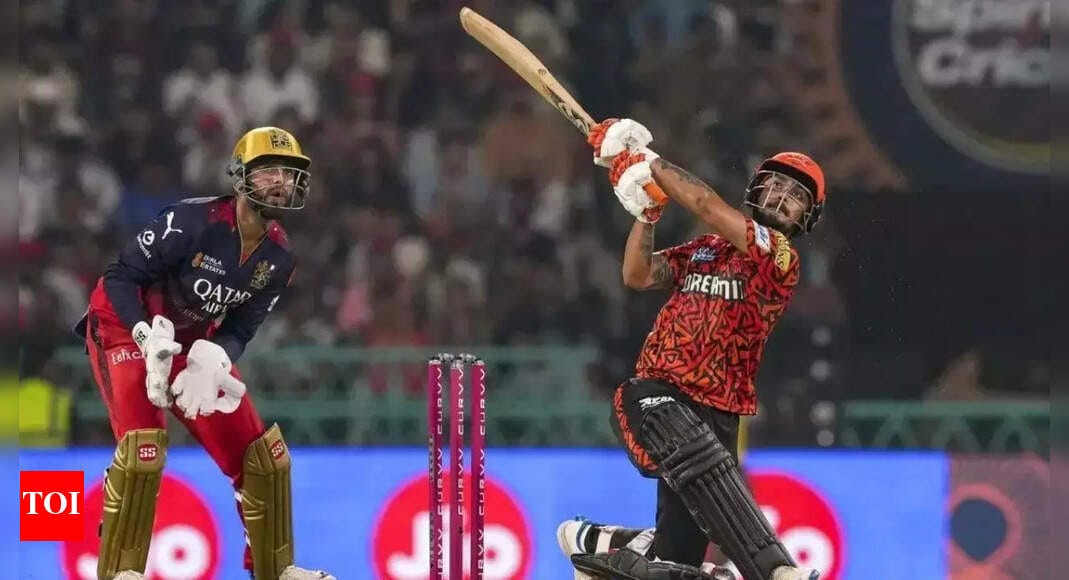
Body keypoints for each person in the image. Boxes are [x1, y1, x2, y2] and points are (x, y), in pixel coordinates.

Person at [557, 119, 825, 580]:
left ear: (807, 216)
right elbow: (638, 274)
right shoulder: (705, 249)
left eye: (796, 195)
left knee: (676, 562)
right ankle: (776, 571)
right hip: (656, 393)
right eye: (777, 185)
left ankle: (601, 542)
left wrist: (649, 162)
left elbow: (703, 203)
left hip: (719, 413)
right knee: (694, 449)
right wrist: (647, 214)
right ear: (757, 188)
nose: (783, 197)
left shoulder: (781, 259)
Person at [74, 127, 334, 580]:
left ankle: (275, 570)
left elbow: (242, 327)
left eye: (289, 173)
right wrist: (144, 337)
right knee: (143, 448)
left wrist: (216, 356)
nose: (281, 181)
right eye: (269, 171)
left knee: (262, 458)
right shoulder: (192, 222)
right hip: (123, 330)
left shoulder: (278, 258)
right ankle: (121, 572)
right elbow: (119, 276)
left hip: (191, 342)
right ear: (241, 176)